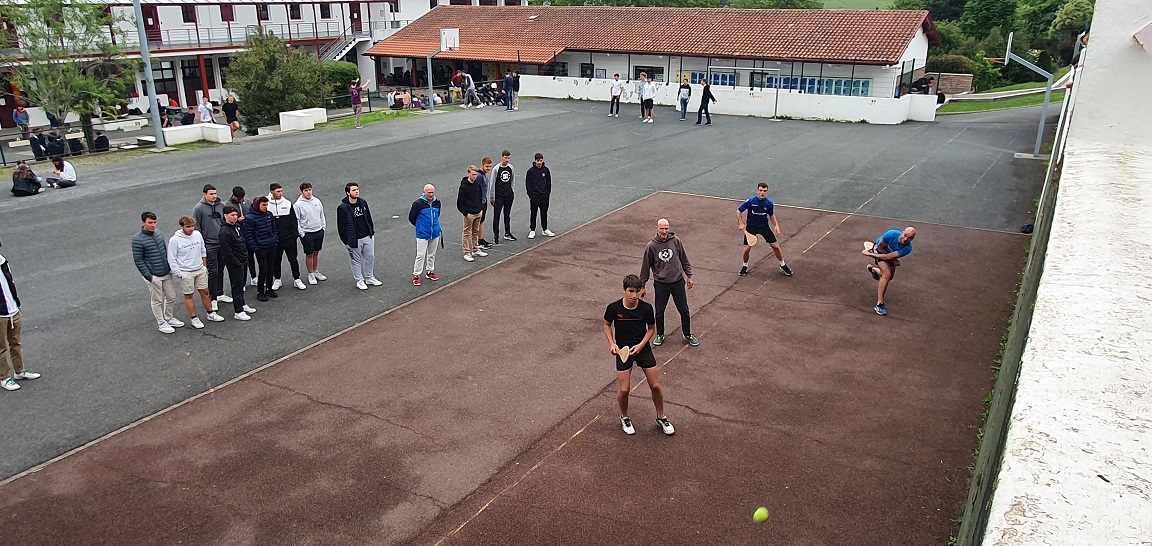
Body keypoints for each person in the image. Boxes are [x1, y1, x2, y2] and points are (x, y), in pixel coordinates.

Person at [602, 274, 674, 436]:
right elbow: (607, 324)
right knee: (625, 389)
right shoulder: (613, 308)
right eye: (631, 291)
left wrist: (641, 345)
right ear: (624, 291)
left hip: (643, 350)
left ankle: (661, 417)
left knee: (655, 386)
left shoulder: (646, 309)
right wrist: (612, 343)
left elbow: (651, 329)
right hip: (623, 351)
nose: (634, 295)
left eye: (637, 291)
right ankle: (624, 417)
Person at [640, 218, 698, 347]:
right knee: (660, 311)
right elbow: (645, 267)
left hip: (677, 282)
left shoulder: (676, 241)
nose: (664, 231)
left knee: (684, 310)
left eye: (666, 228)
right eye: (662, 228)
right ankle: (660, 334)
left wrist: (689, 276)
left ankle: (687, 333)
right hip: (661, 284)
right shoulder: (651, 246)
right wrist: (642, 285)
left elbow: (684, 259)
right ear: (656, 228)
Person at [167, 216, 226, 328]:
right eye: (188, 227)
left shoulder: (197, 234)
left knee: (205, 292)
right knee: (189, 295)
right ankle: (194, 318)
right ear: (182, 226)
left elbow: (203, 250)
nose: (191, 229)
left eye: (192, 226)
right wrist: (179, 273)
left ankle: (210, 313)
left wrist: (204, 266)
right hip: (186, 272)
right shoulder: (175, 240)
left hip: (199, 269)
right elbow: (171, 258)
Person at [0, 239, 42, 392]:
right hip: (1, 315)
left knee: (16, 343)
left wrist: (16, 305)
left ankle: (20, 371)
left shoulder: (3, 262)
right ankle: (4, 377)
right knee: (1, 348)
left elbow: (10, 284)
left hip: (13, 310)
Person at [133, 212, 182, 334]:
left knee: (171, 296)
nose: (153, 225)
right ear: (143, 223)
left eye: (155, 222)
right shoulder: (137, 239)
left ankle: (169, 317)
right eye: (150, 223)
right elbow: (139, 260)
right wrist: (149, 276)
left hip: (166, 272)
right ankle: (161, 322)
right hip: (154, 276)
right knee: (157, 300)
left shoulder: (158, 233)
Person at [736, 182, 793, 277]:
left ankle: (782, 265)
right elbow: (739, 211)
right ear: (757, 191)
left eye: (764, 191)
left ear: (767, 192)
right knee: (746, 249)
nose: (762, 193)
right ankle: (744, 266)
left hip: (764, 227)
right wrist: (741, 223)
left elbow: (771, 215)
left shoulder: (769, 203)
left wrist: (776, 225)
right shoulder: (751, 201)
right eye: (761, 190)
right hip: (751, 227)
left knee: (775, 246)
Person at [336, 183, 381, 290]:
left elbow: (368, 218)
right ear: (348, 193)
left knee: (370, 257)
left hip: (367, 236)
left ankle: (369, 277)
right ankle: (359, 280)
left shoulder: (363, 203)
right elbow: (341, 226)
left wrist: (371, 231)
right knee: (355, 261)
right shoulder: (343, 208)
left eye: (357, 189)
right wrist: (346, 241)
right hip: (354, 239)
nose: (356, 191)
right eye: (353, 190)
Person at [863, 227, 916, 316]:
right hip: (878, 249)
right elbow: (880, 247)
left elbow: (887, 257)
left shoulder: (908, 248)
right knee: (887, 275)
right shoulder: (891, 234)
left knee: (889, 277)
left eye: (910, 238)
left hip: (888, 255)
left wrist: (869, 254)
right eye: (905, 235)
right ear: (902, 232)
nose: (906, 239)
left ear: (912, 239)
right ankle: (880, 304)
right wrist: (872, 254)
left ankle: (874, 270)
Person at [192, 184, 229, 310]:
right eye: (211, 194)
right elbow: (197, 228)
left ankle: (220, 293)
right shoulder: (198, 209)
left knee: (220, 269)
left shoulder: (222, 205)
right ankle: (213, 298)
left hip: (222, 243)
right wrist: (202, 245)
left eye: (215, 193)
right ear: (204, 194)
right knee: (212, 271)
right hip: (209, 244)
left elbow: (225, 222)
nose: (214, 196)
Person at [218, 205, 258, 320]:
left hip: (243, 260)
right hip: (235, 263)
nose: (235, 217)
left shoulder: (238, 227)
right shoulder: (224, 232)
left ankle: (242, 304)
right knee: (236, 287)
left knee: (241, 285)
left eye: (236, 215)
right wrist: (236, 262)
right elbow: (226, 252)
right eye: (232, 215)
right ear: (225, 216)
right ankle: (238, 311)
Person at [267, 183, 305, 291]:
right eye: (278, 191)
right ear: (272, 192)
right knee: (276, 260)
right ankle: (277, 279)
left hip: (288, 238)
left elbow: (293, 220)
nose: (280, 194)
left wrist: (294, 235)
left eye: (281, 191)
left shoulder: (287, 203)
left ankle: (297, 279)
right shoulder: (266, 203)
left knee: (293, 259)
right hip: (275, 239)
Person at [243, 196, 279, 301]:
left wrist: (275, 240)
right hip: (261, 248)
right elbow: (248, 236)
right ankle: (260, 291)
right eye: (263, 205)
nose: (265, 207)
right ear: (257, 205)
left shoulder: (269, 214)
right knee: (264, 269)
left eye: (267, 204)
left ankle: (269, 288)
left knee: (271, 268)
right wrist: (256, 248)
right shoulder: (250, 218)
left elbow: (274, 229)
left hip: (271, 246)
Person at [408, 184, 443, 286]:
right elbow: (412, 218)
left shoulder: (437, 203)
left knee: (432, 254)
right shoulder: (417, 204)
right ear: (424, 192)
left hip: (435, 233)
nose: (431, 194)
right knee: (421, 255)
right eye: (429, 192)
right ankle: (416, 275)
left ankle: (430, 271)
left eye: (432, 192)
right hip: (422, 234)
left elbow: (437, 215)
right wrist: (420, 227)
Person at [295, 182, 327, 285]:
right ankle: (310, 274)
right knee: (309, 254)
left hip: (318, 231)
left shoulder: (316, 201)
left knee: (316, 252)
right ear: (302, 192)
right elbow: (297, 220)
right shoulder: (298, 205)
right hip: (307, 233)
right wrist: (302, 233)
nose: (308, 192)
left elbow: (321, 214)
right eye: (306, 190)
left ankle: (316, 271)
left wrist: (323, 227)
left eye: (310, 190)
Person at [227, 186, 258, 287]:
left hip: (248, 233)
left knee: (251, 257)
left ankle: (254, 277)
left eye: (243, 198)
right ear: (234, 196)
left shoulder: (247, 202)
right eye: (239, 199)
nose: (242, 200)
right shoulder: (227, 204)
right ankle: (242, 282)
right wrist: (237, 220)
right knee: (241, 260)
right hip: (237, 235)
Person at [457, 165, 488, 262]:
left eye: (476, 174)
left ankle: (476, 249)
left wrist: (481, 209)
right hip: (469, 214)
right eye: (473, 174)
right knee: (466, 233)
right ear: (469, 174)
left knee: (475, 232)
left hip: (478, 212)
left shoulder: (477, 185)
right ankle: (467, 252)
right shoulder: (464, 187)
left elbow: (479, 197)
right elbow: (460, 202)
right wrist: (466, 214)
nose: (475, 176)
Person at [490, 150, 517, 243]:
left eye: (508, 158)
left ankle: (507, 233)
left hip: (508, 196)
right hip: (499, 197)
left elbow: (512, 180)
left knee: (507, 215)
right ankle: (496, 236)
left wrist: (512, 191)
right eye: (505, 158)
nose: (507, 160)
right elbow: (492, 183)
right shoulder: (496, 169)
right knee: (496, 216)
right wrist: (492, 197)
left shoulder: (511, 168)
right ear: (502, 157)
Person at [525, 152, 554, 239]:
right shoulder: (530, 171)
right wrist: (530, 195)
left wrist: (547, 193)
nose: (539, 162)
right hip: (534, 196)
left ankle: (545, 229)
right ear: (535, 161)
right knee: (533, 213)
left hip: (544, 196)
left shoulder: (546, 170)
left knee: (544, 213)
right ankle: (532, 230)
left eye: (540, 160)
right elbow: (528, 184)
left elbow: (548, 182)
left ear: (543, 160)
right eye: (537, 161)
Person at [476, 157, 493, 249]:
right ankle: (479, 241)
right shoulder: (479, 176)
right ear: (482, 165)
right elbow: (477, 191)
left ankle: (481, 239)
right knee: (479, 222)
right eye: (486, 166)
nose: (488, 168)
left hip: (484, 201)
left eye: (490, 167)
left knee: (482, 221)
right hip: (480, 203)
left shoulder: (484, 175)